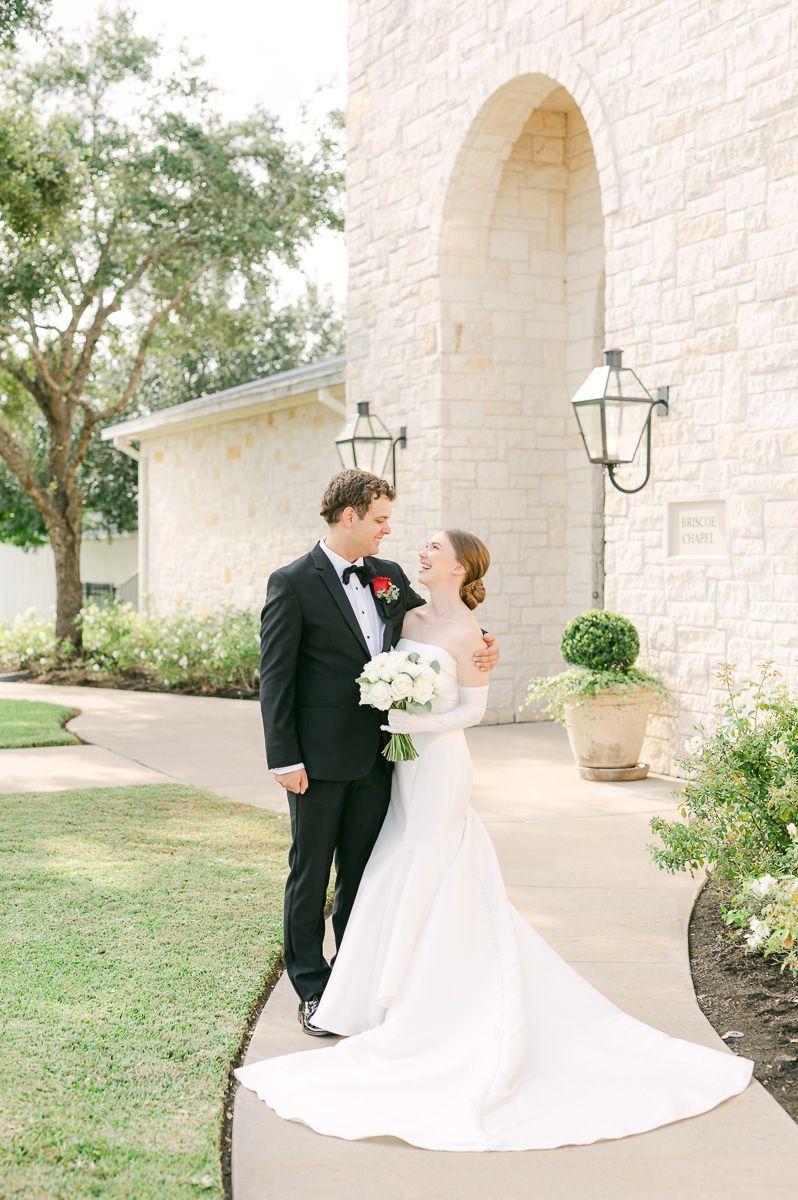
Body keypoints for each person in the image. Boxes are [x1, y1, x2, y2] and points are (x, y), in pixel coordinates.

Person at [235, 528, 754, 1151]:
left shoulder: (460, 626)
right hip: (391, 764)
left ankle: (419, 994)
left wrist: (417, 712)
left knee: (425, 863)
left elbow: (472, 707)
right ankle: (364, 987)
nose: (415, 549)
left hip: (433, 762)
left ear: (460, 568)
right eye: (393, 527)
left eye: (434, 549)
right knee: (382, 865)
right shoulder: (402, 604)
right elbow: (327, 658)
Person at [258, 469, 500, 1035]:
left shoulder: (388, 577)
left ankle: (355, 982)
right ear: (351, 516)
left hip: (384, 756)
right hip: (316, 761)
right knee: (310, 875)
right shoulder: (292, 583)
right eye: (381, 520)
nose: (388, 530)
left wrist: (486, 645)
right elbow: (275, 679)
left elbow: (441, 625)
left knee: (364, 874)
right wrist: (284, 759)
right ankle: (312, 987)